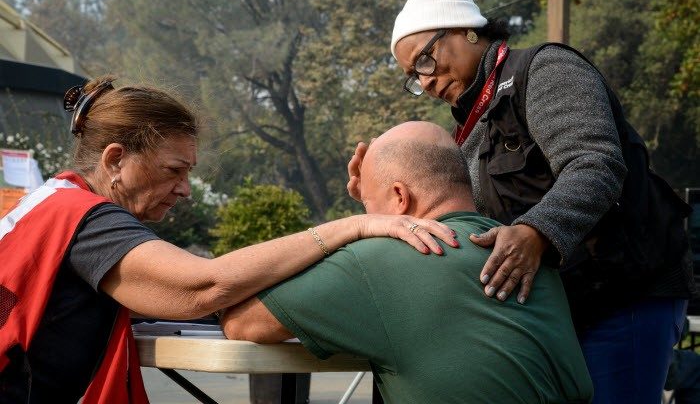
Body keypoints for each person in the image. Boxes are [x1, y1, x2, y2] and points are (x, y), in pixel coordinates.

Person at [0, 76, 457, 404]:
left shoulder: (50, 203)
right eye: (173, 170)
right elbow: (203, 286)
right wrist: (351, 227)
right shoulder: (89, 222)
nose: (184, 189)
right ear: (115, 159)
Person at [346, 0, 695, 402]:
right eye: (414, 77)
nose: (427, 81)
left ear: (465, 29)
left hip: (626, 292)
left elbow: (595, 163)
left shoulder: (544, 69)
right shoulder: (466, 132)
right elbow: (459, 224)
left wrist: (537, 232)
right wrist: (376, 196)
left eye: (425, 60)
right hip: (558, 307)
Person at [221, 121, 594, 404]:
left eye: (366, 206)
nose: (369, 219)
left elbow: (242, 322)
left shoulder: (378, 261)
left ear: (399, 197)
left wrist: (355, 227)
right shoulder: (529, 256)